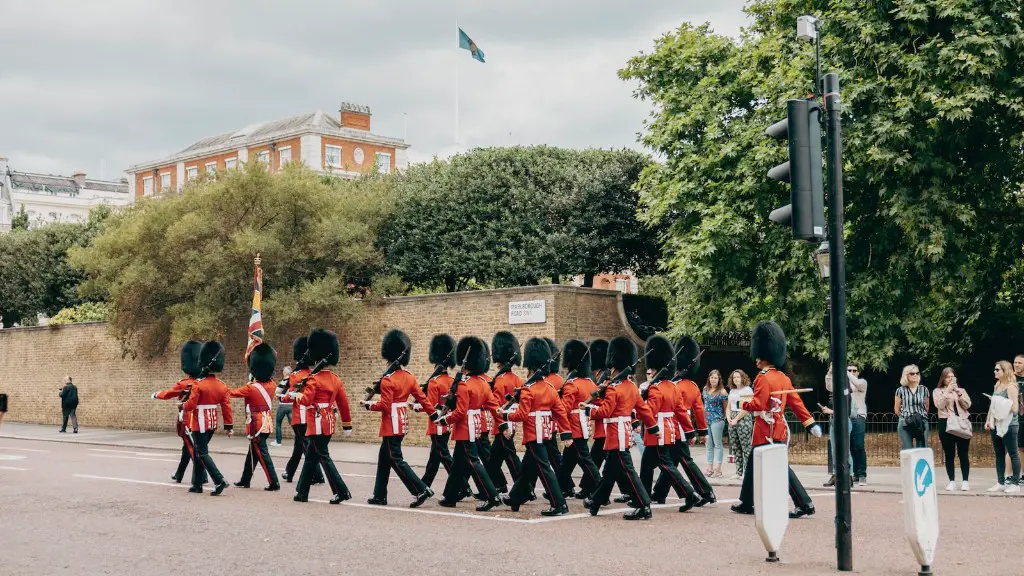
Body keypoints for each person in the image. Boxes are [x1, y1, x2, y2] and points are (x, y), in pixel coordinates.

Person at [732, 321, 821, 518]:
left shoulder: (762, 378)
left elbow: (759, 404)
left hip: (766, 429)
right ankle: (746, 501)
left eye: (758, 357)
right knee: (754, 462)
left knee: (779, 466)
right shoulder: (783, 378)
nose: (755, 360)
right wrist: (810, 423)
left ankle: (804, 503)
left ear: (763, 357)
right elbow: (796, 404)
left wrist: (742, 404)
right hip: (779, 427)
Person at [584, 336, 658, 520]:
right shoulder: (631, 387)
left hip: (616, 434)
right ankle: (596, 500)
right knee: (610, 471)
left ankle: (644, 505)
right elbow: (644, 409)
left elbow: (606, 412)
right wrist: (653, 426)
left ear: (614, 364)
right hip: (624, 432)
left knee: (627, 471)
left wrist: (588, 410)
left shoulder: (614, 388)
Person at [500, 337, 572, 516]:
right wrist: (565, 434)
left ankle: (559, 504)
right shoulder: (549, 388)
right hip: (547, 433)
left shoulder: (528, 390)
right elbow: (560, 413)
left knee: (544, 469)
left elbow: (522, 415)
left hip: (534, 433)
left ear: (531, 368)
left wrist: (504, 414)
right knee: (527, 469)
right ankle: (516, 497)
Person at [364, 329, 434, 508]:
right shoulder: (409, 377)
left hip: (391, 423)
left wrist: (368, 404)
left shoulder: (388, 380)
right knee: (384, 458)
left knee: (395, 459)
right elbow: (422, 398)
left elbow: (385, 406)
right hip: (402, 421)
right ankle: (379, 495)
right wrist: (432, 413)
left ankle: (420, 489)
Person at [436, 336, 503, 511]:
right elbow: (494, 407)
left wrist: (444, 420)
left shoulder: (464, 385)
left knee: (474, 461)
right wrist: (502, 424)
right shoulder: (482, 383)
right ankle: (450, 496)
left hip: (466, 427)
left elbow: (460, 412)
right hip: (476, 425)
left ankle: (492, 495)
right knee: (458, 463)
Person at [637, 335, 700, 512]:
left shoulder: (656, 388)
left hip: (658, 431)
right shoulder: (672, 386)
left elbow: (649, 411)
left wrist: (640, 413)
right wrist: (689, 432)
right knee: (647, 464)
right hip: (669, 430)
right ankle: (643, 496)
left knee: (666, 465)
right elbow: (681, 411)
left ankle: (689, 494)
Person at [291, 329, 353, 504]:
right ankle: (302, 492)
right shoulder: (335, 378)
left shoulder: (314, 379)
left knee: (323, 456)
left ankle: (341, 491)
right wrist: (347, 425)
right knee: (311, 457)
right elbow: (343, 403)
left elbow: (306, 401)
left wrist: (296, 396)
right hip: (329, 421)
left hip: (316, 421)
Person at [652, 336, 715, 505]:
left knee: (683, 461)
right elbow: (699, 411)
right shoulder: (693, 387)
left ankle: (706, 492)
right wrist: (702, 431)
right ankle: (659, 492)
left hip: (672, 427)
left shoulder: (672, 385)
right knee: (671, 462)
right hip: (682, 427)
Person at [181, 341, 233, 496]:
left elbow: (190, 405)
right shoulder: (222, 385)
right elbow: (226, 407)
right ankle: (197, 484)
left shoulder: (199, 385)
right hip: (212, 422)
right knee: (198, 451)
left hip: (199, 422)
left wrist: (181, 405)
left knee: (202, 452)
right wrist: (229, 426)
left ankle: (219, 480)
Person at [151, 340, 207, 484]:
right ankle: (179, 474)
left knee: (192, 447)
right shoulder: (203, 382)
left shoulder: (185, 383)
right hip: (202, 419)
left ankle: (203, 475)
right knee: (187, 448)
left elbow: (168, 393)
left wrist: (156, 394)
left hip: (187, 419)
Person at [230, 343, 280, 491]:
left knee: (262, 453)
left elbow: (232, 392)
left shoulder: (250, 388)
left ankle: (274, 482)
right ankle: (245, 479)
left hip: (256, 424)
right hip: (267, 421)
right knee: (253, 452)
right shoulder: (272, 384)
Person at [556, 339, 602, 500]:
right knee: (566, 463)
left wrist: (555, 400)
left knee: (585, 460)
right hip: (584, 424)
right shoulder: (590, 383)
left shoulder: (571, 384)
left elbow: (564, 408)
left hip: (573, 426)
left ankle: (600, 490)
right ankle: (564, 488)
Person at [280, 337, 324, 485]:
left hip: (299, 415)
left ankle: (317, 475)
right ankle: (290, 472)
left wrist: (283, 398)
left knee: (305, 446)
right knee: (299, 446)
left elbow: (291, 396)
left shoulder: (295, 376)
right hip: (310, 413)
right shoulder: (312, 374)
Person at [485, 331, 524, 495]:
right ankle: (498, 486)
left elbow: (494, 403)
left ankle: (524, 488)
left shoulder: (500, 380)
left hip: (502, 421)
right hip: (511, 421)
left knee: (509, 457)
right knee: (494, 460)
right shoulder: (516, 378)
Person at [419, 334, 457, 490]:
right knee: (434, 457)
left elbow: (431, 405)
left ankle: (461, 485)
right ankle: (424, 484)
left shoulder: (434, 383)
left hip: (436, 423)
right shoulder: (453, 381)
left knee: (443, 456)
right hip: (448, 423)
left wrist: (417, 407)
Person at [932, 367, 971, 491]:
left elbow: (968, 405)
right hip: (946, 422)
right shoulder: (937, 391)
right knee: (949, 454)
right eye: (948, 377)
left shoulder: (961, 390)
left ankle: (965, 481)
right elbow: (939, 405)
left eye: (952, 377)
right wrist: (947, 391)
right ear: (943, 378)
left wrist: (959, 394)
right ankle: (952, 481)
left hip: (961, 422)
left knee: (963, 453)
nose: (950, 379)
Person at [985, 360, 1020, 493]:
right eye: (995, 369)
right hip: (996, 423)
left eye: (997, 370)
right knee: (999, 453)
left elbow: (1015, 408)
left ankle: (1015, 483)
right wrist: (988, 420)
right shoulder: (997, 385)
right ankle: (1001, 482)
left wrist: (998, 401)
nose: (995, 372)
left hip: (1009, 424)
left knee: (1013, 453)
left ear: (1005, 371)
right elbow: (992, 405)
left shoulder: (1011, 387)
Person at [823, 366, 853, 488]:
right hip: (834, 422)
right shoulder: (835, 391)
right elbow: (828, 382)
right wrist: (831, 370)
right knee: (835, 450)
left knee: (845, 450)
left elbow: (846, 411)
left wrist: (830, 411)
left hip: (843, 422)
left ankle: (849, 475)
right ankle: (836, 475)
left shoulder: (846, 392)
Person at [726, 370, 753, 480]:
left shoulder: (747, 390)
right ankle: (738, 472)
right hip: (732, 418)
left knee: (745, 447)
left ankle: (747, 472)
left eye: (738, 377)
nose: (736, 379)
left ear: (743, 378)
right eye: (734, 377)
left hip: (743, 418)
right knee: (736, 447)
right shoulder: (732, 391)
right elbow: (728, 406)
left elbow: (746, 408)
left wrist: (736, 419)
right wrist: (728, 418)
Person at [895, 364, 930, 449]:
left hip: (921, 422)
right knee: (907, 449)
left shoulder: (924, 389)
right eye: (912, 373)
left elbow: (927, 407)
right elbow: (896, 409)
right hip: (905, 423)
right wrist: (905, 417)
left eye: (917, 373)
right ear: (906, 375)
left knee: (922, 449)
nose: (915, 375)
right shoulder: (900, 390)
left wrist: (921, 417)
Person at [702, 369, 728, 477]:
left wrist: (724, 417)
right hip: (706, 419)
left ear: (719, 379)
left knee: (718, 445)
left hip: (717, 419)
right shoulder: (705, 389)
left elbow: (726, 405)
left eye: (715, 378)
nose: (713, 379)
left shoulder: (722, 391)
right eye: (712, 377)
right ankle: (709, 468)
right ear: (709, 378)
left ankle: (718, 469)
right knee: (708, 445)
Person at [271, 366, 292, 447]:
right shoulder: (294, 381)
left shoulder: (283, 382)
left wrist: (280, 395)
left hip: (282, 406)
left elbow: (276, 392)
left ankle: (278, 442)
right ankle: (301, 440)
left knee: (278, 423)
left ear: (284, 373)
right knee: (294, 424)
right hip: (291, 405)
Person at [1015, 354, 1024, 465]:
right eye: (1015, 362)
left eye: (1019, 363)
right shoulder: (1010, 378)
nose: (1016, 365)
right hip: (1016, 418)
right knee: (1019, 448)